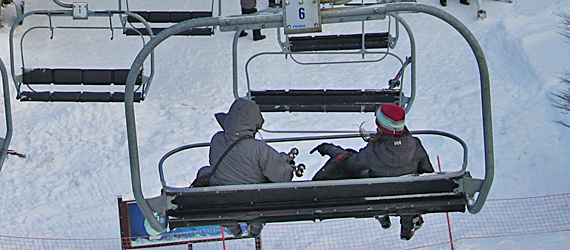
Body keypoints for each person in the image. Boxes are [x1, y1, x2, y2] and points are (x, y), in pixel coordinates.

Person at [311, 104, 434, 240]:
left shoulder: (373, 152)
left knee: (366, 177)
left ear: (380, 125)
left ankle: (380, 212)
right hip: (409, 195)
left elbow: (350, 165)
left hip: (379, 197)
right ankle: (408, 221)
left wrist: (332, 150)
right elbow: (427, 172)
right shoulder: (415, 144)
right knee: (407, 184)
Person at [208, 98, 294, 237]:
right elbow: (283, 177)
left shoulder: (216, 140)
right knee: (263, 185)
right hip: (255, 206)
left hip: (223, 205)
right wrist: (283, 160)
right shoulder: (258, 148)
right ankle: (255, 225)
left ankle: (233, 227)